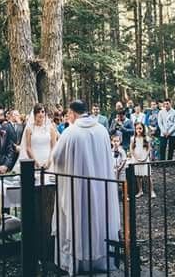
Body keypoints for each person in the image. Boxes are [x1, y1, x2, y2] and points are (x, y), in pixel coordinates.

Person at [52, 100, 120, 275]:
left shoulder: (70, 132)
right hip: (101, 186)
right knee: (99, 218)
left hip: (78, 188)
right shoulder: (102, 130)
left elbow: (57, 159)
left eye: (68, 114)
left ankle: (78, 263)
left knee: (79, 219)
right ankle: (101, 259)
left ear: (73, 113)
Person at [19, 103, 58, 168]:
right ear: (34, 114)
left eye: (42, 112)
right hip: (34, 160)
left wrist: (49, 161)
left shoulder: (51, 128)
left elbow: (53, 146)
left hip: (48, 160)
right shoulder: (29, 129)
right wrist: (35, 162)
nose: (41, 114)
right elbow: (28, 148)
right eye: (38, 112)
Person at [129, 122, 156, 198]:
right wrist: (136, 157)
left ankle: (152, 191)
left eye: (140, 128)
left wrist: (145, 158)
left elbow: (149, 149)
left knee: (148, 175)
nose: (138, 130)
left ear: (143, 129)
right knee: (138, 176)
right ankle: (140, 190)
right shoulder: (133, 138)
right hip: (136, 159)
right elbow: (131, 149)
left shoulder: (147, 138)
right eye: (137, 128)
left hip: (145, 159)